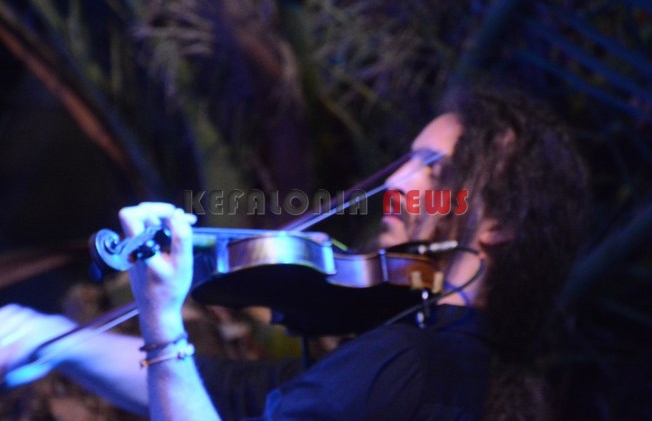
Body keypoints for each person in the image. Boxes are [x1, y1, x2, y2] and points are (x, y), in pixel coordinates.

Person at [0, 84, 587, 420]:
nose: (398, 182)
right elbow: (223, 393)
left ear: (499, 225)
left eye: (435, 169)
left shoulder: (415, 362)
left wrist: (161, 325)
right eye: (408, 161)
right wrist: (54, 339)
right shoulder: (443, 360)